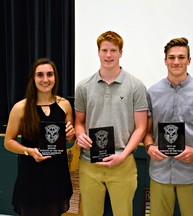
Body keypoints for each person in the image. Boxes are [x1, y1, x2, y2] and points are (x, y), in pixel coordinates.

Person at [143, 37, 193, 216]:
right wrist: (149, 147)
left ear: (189, 60)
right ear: (165, 61)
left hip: (191, 171)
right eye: (171, 57)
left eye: (181, 57)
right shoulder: (152, 92)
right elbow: (147, 132)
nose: (176, 62)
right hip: (160, 170)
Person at [74, 31, 148, 216]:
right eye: (104, 50)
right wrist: (80, 134)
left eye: (113, 50)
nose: (108, 55)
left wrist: (123, 155)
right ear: (98, 52)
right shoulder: (83, 86)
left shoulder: (136, 85)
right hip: (90, 163)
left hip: (122, 164)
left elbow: (141, 127)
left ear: (120, 53)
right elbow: (79, 121)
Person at [4, 57, 75, 216]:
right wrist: (28, 151)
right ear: (33, 78)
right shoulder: (20, 107)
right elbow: (8, 142)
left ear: (55, 78)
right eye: (40, 75)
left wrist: (71, 136)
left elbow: (69, 141)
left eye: (50, 74)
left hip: (57, 175)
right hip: (31, 176)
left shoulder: (64, 105)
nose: (45, 79)